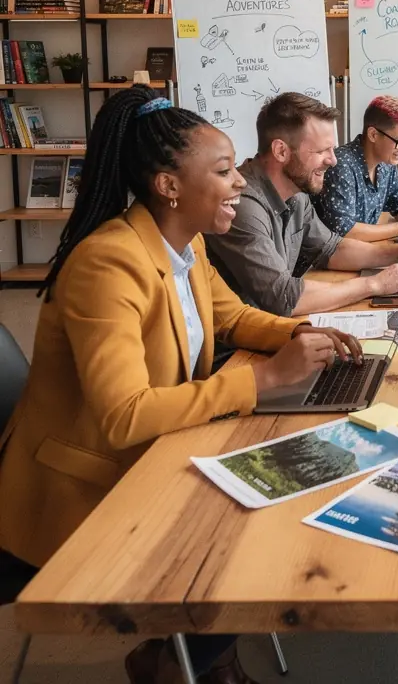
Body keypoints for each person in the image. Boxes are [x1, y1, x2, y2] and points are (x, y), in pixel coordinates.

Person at [0, 87, 361, 684]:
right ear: (170, 186)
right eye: (222, 172)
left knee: (291, 478)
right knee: (253, 522)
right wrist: (264, 379)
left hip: (151, 454)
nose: (241, 183)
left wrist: (307, 332)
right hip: (86, 485)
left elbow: (233, 317)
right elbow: (123, 416)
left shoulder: (182, 243)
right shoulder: (108, 263)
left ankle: (183, 657)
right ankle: (194, 664)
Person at [205, 93, 398, 317]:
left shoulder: (297, 193)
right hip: (237, 351)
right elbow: (283, 297)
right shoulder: (243, 205)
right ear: (281, 151)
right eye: (322, 151)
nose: (333, 160)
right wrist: (373, 284)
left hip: (273, 325)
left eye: (331, 148)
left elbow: (333, 250)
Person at [315, 95, 398, 240]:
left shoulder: (386, 163)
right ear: (373, 135)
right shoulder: (341, 166)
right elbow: (345, 231)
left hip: (361, 253)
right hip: (330, 259)